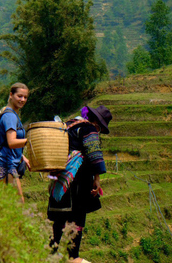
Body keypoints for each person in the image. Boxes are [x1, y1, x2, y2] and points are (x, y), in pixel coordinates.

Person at [48, 105, 112, 263]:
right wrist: (97, 178)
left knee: (59, 221)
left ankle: (50, 253)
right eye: (101, 127)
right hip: (77, 182)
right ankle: (73, 256)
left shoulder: (71, 125)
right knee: (77, 220)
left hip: (62, 179)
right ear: (97, 122)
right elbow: (94, 154)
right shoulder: (89, 129)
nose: (99, 131)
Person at [0, 82, 31, 203]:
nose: (22, 99)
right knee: (16, 204)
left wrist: (23, 157)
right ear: (11, 95)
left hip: (8, 165)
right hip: (6, 166)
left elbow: (6, 143)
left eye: (25, 97)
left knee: (8, 205)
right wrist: (31, 141)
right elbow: (12, 142)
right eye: (19, 96)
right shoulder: (10, 117)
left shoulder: (8, 113)